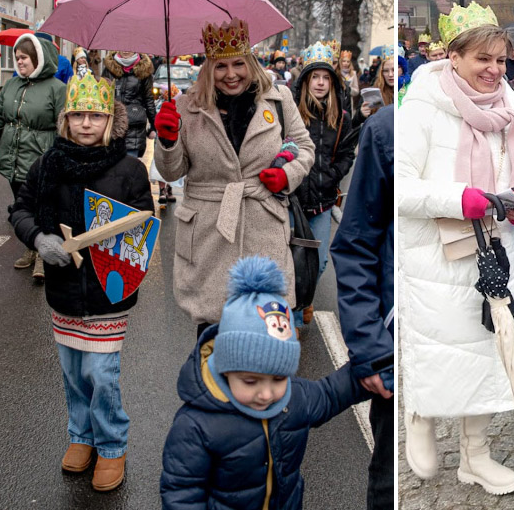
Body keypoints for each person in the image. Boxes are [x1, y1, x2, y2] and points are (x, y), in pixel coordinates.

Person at [397, 3, 514, 496]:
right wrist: (461, 198)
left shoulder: (509, 111)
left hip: (494, 249)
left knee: (489, 349)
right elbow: (399, 189)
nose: (494, 71)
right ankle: (421, 411)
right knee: (440, 343)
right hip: (438, 253)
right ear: (452, 57)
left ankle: (476, 455)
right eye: (483, 59)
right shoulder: (420, 108)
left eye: (501, 61)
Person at [7, 72, 148, 492]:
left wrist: (119, 235)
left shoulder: (129, 169)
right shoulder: (46, 165)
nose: (86, 123)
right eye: (78, 115)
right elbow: (20, 210)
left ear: (112, 122)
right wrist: (39, 237)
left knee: (101, 373)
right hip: (64, 290)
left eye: (96, 116)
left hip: (108, 292)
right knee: (73, 372)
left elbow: (142, 223)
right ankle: (81, 436)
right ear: (65, 120)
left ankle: (111, 444)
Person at [159, 256, 371, 509]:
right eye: (250, 381)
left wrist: (370, 371)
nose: (267, 393)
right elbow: (182, 493)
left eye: (279, 378)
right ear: (226, 369)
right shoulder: (195, 426)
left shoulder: (293, 399)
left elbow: (331, 394)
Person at [153, 20, 315, 337]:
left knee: (266, 342)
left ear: (250, 62)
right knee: (211, 343)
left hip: (263, 229)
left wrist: (286, 175)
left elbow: (304, 147)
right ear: (208, 68)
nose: (231, 74)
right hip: (207, 236)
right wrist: (168, 140)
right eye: (221, 66)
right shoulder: (186, 107)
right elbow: (172, 172)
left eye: (238, 63)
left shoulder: (279, 100)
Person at [333, 104, 395, 510]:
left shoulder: (505, 117)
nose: (494, 71)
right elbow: (356, 242)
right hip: (397, 333)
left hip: (468, 313)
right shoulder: (388, 129)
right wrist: (370, 349)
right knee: (391, 476)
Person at [0, 32, 67, 278]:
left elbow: (64, 127)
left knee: (43, 206)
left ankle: (43, 254)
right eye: (17, 58)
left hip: (41, 159)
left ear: (38, 59)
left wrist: (60, 161)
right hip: (13, 160)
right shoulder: (11, 85)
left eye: (24, 58)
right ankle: (31, 246)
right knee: (23, 204)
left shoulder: (57, 89)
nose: (19, 62)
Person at [290, 43, 358, 303]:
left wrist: (332, 174)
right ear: (306, 81)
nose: (320, 83)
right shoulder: (292, 114)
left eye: (325, 78)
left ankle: (305, 299)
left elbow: (346, 153)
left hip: (324, 199)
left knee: (318, 262)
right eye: (315, 77)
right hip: (293, 198)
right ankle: (295, 314)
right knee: (293, 259)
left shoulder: (340, 117)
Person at [104, 51, 154, 158]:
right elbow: (102, 97)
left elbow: (149, 100)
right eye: (123, 48)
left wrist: (154, 126)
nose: (126, 51)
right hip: (112, 127)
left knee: (129, 168)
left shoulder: (144, 70)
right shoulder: (109, 69)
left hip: (134, 129)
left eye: (129, 48)